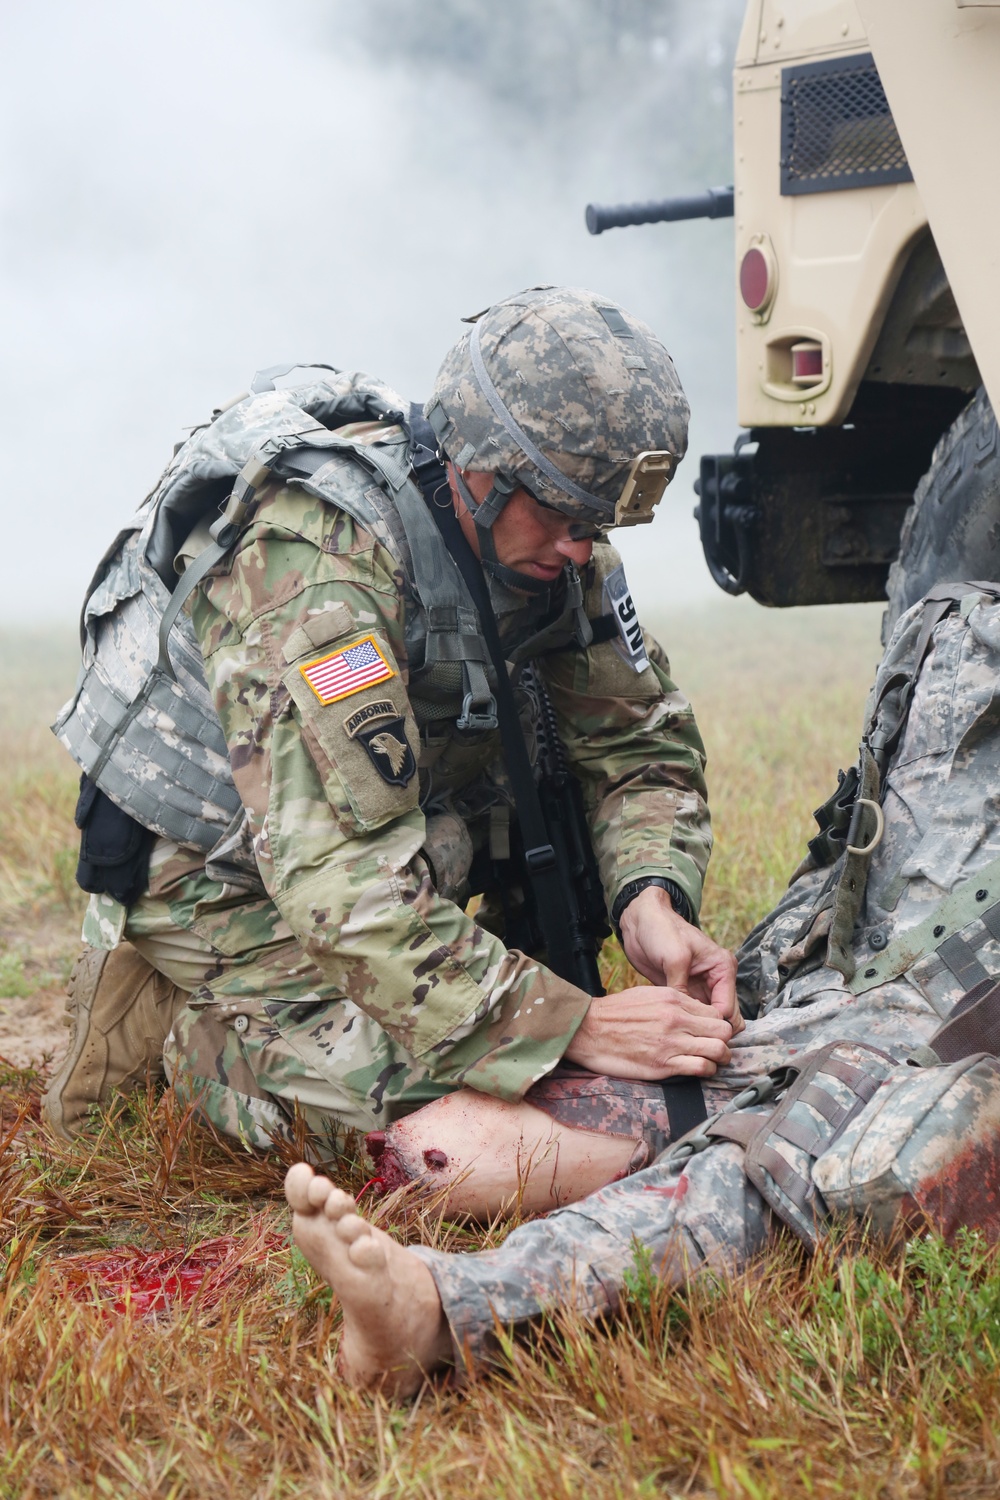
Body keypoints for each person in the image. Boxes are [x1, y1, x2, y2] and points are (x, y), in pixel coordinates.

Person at [43, 287, 739, 1198]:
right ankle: (195, 1044)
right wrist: (564, 1028)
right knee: (445, 1125)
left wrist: (650, 896)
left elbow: (637, 747)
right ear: (480, 470)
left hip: (381, 837)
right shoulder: (315, 566)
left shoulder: (558, 545)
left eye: (598, 523)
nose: (582, 549)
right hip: (221, 870)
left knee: (530, 1072)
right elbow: (340, 883)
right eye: (566, 515)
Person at [281, 578, 1000, 1397]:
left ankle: (445, 1309)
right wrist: (650, 903)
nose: (579, 546)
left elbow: (645, 746)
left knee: (829, 1149)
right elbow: (859, 863)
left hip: (941, 1036)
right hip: (892, 982)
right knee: (715, 1073)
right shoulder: (962, 631)